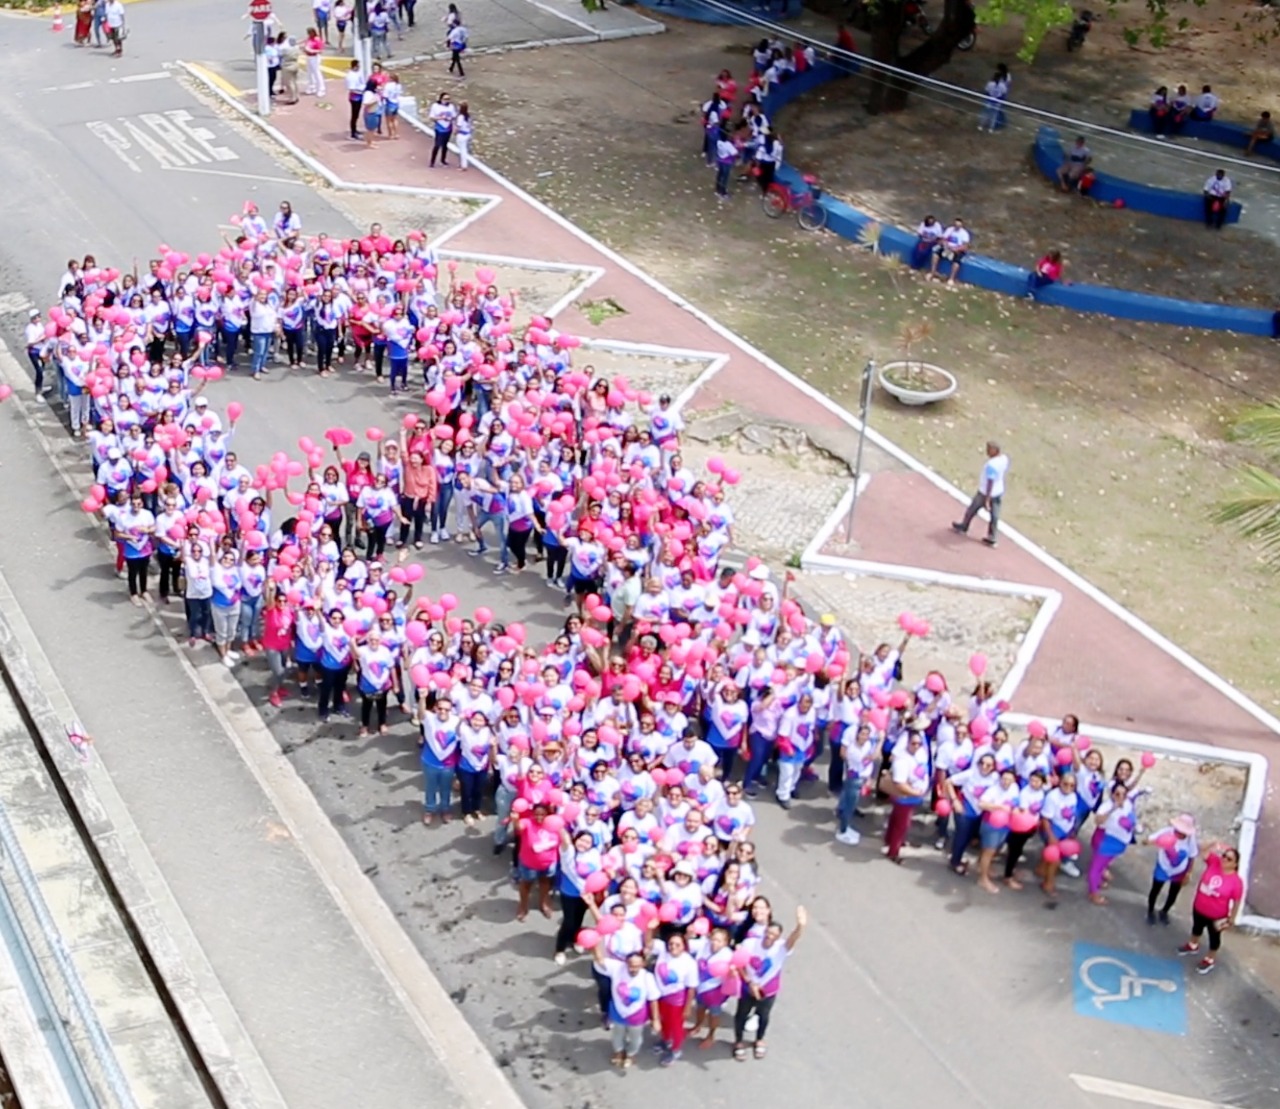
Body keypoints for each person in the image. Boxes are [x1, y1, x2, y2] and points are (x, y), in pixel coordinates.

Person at [731, 905, 806, 1061]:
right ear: (764, 932)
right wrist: (749, 982)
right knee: (741, 1015)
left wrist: (800, 926)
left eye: (774, 935)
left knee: (763, 1015)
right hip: (748, 987)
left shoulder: (781, 948)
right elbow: (740, 964)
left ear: (778, 937)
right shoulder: (750, 943)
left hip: (768, 990)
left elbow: (794, 938)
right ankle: (738, 1042)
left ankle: (759, 1039)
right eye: (768, 933)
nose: (770, 936)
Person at [590, 943, 659, 1071]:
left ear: (643, 964)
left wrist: (655, 1020)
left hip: (637, 1015)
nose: (633, 969)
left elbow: (653, 999)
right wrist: (594, 945)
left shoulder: (647, 977)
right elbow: (600, 961)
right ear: (626, 963)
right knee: (617, 1034)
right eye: (631, 965)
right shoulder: (617, 968)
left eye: (637, 966)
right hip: (618, 1011)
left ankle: (631, 1055)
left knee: (635, 1037)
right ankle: (618, 1052)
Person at [1178, 844, 1243, 975]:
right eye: (1224, 856)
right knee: (1196, 928)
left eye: (1229, 859)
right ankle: (1193, 945)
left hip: (1217, 915)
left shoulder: (1236, 882)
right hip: (1199, 907)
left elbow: (1236, 901)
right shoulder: (1214, 863)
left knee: (1214, 937)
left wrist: (1232, 918)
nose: (1224, 859)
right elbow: (1202, 850)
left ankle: (1210, 958)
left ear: (1235, 864)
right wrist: (1214, 844)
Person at [951, 440, 1010, 548]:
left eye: (989, 450)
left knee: (972, 510)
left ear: (995, 451)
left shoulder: (992, 465)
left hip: (985, 493)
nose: (987, 452)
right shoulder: (1004, 459)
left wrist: (987, 499)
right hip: (998, 492)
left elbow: (990, 482)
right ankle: (992, 537)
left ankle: (964, 526)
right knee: (994, 516)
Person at [1146, 813, 1198, 926]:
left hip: (1179, 871)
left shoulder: (1190, 839)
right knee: (1155, 890)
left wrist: (1188, 873)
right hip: (1163, 867)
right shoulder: (1167, 832)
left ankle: (1164, 911)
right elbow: (1149, 840)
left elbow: (1192, 856)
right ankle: (1150, 911)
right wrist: (1158, 842)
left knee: (1173, 894)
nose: (1179, 833)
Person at [928, 218, 970, 286]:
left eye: (958, 225)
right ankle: (932, 272)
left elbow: (964, 247)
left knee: (956, 262)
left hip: (957, 249)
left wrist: (956, 249)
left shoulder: (964, 234)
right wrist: (945, 244)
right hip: (947, 248)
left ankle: (951, 278)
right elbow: (943, 239)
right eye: (956, 225)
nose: (956, 226)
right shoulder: (950, 230)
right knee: (935, 254)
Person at [429, 92, 457, 167]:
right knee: (437, 145)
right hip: (439, 127)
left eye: (448, 99)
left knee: (445, 145)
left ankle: (443, 159)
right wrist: (441, 118)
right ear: (441, 99)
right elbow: (431, 117)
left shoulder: (451, 106)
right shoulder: (435, 106)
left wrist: (451, 120)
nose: (447, 101)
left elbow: (454, 116)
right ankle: (432, 161)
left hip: (448, 128)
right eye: (445, 99)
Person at [345, 61, 366, 141]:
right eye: (358, 66)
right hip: (355, 97)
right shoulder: (350, 76)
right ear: (354, 67)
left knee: (356, 115)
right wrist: (361, 90)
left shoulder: (358, 73)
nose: (359, 67)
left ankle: (355, 130)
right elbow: (352, 88)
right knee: (354, 115)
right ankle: (353, 133)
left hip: (359, 96)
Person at [303, 28, 326, 97]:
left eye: (310, 33)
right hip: (308, 57)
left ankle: (321, 89)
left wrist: (311, 51)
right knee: (310, 73)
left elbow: (320, 50)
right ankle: (312, 87)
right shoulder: (309, 39)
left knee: (317, 73)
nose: (309, 34)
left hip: (315, 57)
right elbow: (305, 44)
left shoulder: (317, 40)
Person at [454, 102, 473, 170]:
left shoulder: (460, 117)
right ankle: (462, 164)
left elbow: (458, 126)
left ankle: (463, 165)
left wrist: (455, 132)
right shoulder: (468, 116)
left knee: (462, 150)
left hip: (461, 134)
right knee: (464, 149)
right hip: (467, 134)